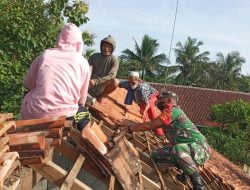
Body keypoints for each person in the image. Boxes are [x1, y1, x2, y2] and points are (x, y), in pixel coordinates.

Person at [124, 91, 210, 190]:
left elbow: (151, 125)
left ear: (168, 100)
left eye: (161, 99)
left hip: (200, 148)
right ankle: (185, 172)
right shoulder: (168, 112)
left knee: (178, 149)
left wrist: (130, 128)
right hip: (188, 149)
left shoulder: (172, 110)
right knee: (155, 156)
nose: (158, 101)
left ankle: (199, 185)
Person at [20, 23, 91, 119]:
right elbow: (82, 99)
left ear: (60, 39)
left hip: (36, 111)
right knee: (84, 115)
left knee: (27, 96)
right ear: (79, 43)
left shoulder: (45, 55)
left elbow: (28, 84)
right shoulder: (83, 62)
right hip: (67, 114)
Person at [118, 71, 164, 136]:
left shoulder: (142, 88)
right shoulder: (127, 83)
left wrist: (145, 111)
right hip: (141, 99)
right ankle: (147, 125)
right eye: (130, 82)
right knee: (143, 113)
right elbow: (117, 82)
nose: (131, 84)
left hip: (151, 96)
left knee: (151, 112)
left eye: (133, 82)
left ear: (137, 80)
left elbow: (147, 103)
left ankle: (159, 132)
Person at [88, 35, 119, 103]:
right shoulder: (94, 56)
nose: (106, 48)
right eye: (104, 46)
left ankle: (101, 96)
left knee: (115, 82)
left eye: (109, 47)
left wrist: (96, 81)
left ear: (112, 48)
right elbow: (86, 69)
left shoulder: (114, 60)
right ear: (101, 46)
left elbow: (112, 75)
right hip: (89, 85)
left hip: (102, 86)